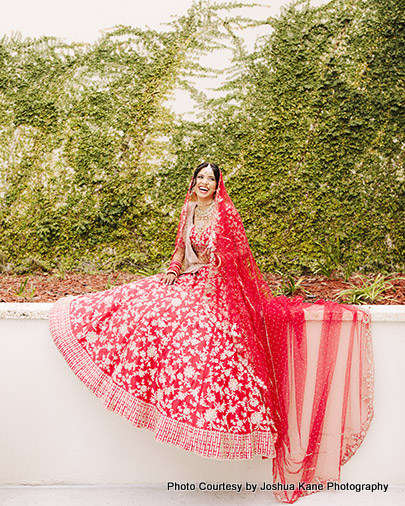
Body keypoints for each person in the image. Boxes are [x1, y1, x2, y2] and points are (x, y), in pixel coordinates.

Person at [49, 162, 374, 503]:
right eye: (200, 177)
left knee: (202, 336)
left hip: (219, 286)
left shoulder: (226, 214)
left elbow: (240, 256)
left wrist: (219, 263)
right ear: (194, 181)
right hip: (191, 279)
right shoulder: (189, 208)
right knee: (143, 305)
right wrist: (174, 271)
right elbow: (179, 248)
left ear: (219, 186)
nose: (204, 183)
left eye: (210, 179)